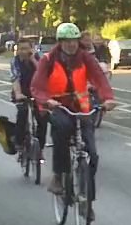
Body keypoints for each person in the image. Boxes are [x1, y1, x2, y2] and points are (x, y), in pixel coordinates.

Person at [31, 22, 116, 196]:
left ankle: (87, 193)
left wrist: (107, 98)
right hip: (58, 104)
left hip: (81, 105)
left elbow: (99, 79)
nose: (71, 44)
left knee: (92, 151)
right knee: (61, 131)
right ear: (60, 42)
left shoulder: (86, 58)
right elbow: (37, 86)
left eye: (74, 41)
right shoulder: (48, 60)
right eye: (67, 41)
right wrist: (46, 100)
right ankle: (58, 176)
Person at [10, 40, 47, 158]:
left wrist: (33, 60)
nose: (23, 51)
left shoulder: (39, 58)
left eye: (26, 48)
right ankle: (19, 142)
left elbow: (43, 73)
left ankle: (39, 148)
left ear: (32, 49)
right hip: (22, 91)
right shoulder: (15, 61)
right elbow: (15, 79)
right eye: (21, 49)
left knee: (42, 118)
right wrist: (18, 94)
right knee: (22, 112)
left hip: (38, 92)